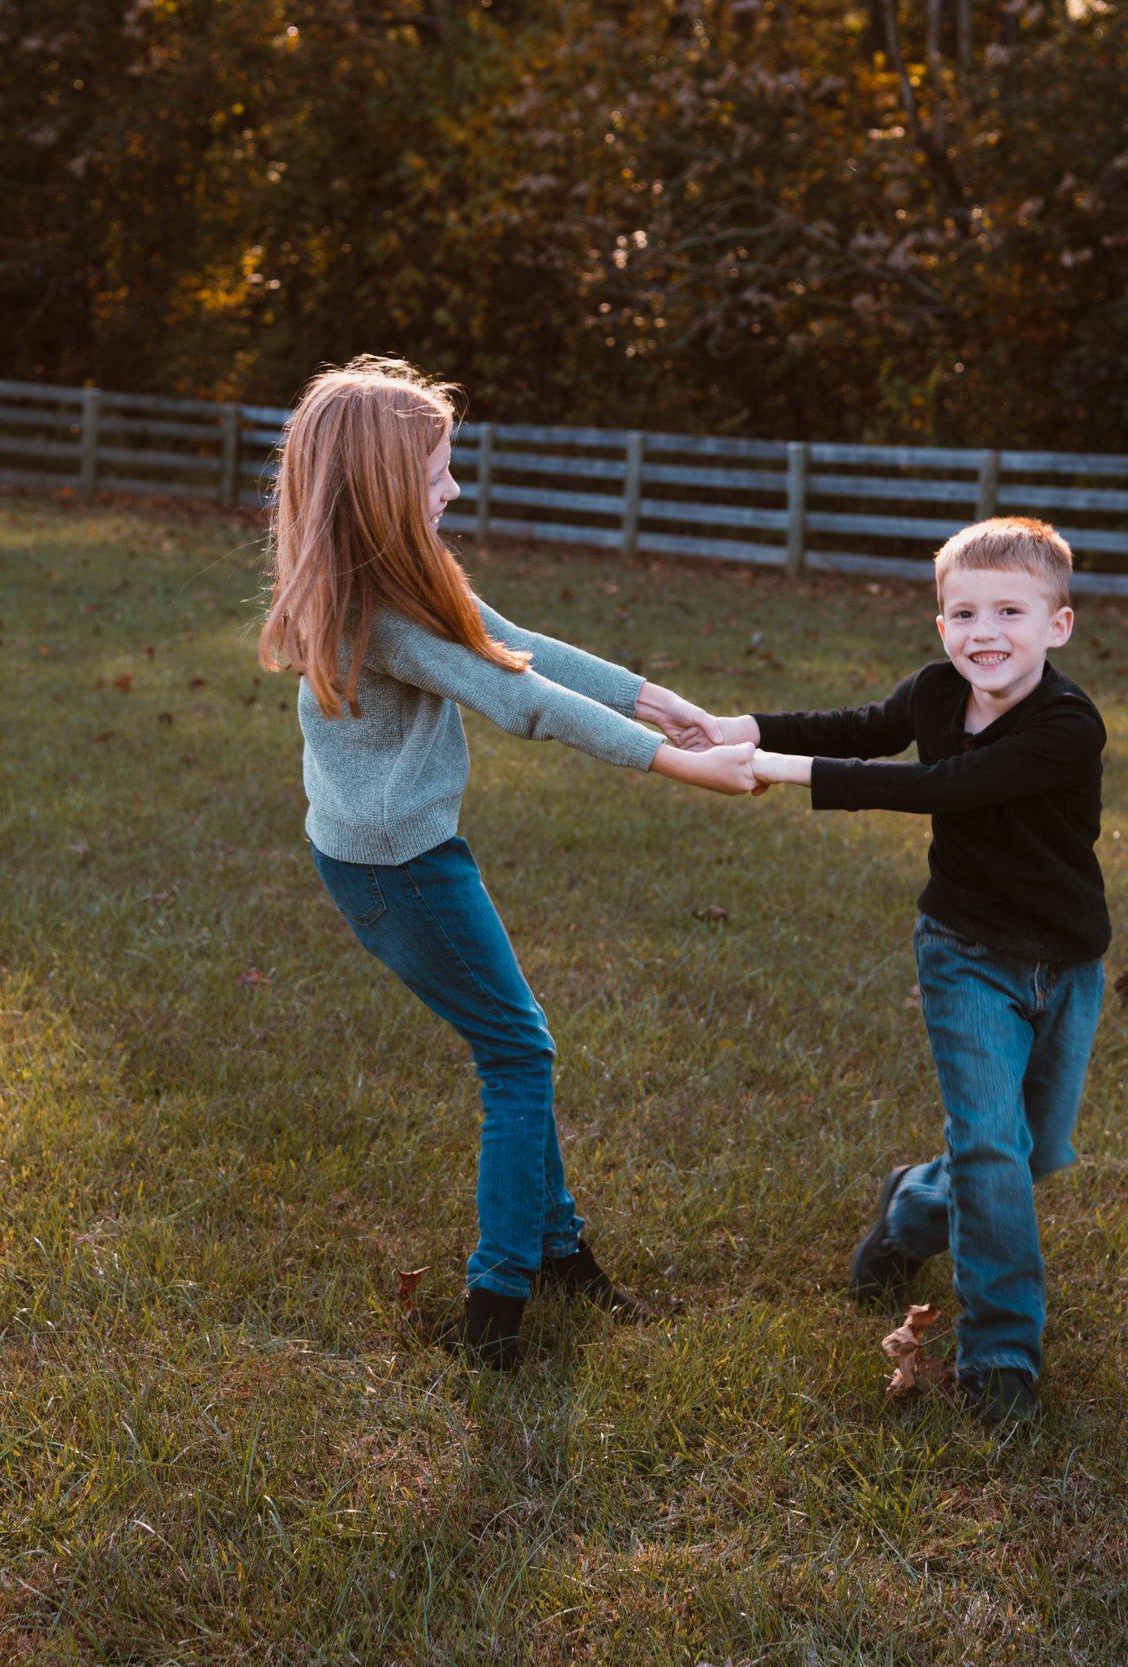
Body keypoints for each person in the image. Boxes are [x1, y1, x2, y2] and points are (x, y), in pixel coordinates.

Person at [258, 355, 754, 1372]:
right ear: (385, 489)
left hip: (392, 855)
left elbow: (512, 642)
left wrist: (654, 697)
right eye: (438, 473)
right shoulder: (380, 614)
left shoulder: (390, 577)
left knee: (514, 1041)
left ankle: (558, 1251)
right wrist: (667, 761)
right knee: (519, 1057)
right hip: (402, 870)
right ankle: (494, 1312)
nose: (453, 488)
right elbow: (516, 697)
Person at [710, 517, 1109, 1425]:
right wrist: (744, 726)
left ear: (1058, 625)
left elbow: (947, 789)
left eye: (1011, 609)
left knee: (1032, 1150)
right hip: (964, 954)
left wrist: (774, 768)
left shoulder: (1065, 725)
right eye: (963, 612)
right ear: (940, 627)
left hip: (1065, 964)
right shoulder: (937, 691)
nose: (984, 632)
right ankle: (1001, 1351)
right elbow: (863, 727)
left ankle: (912, 1207)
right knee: (993, 1144)